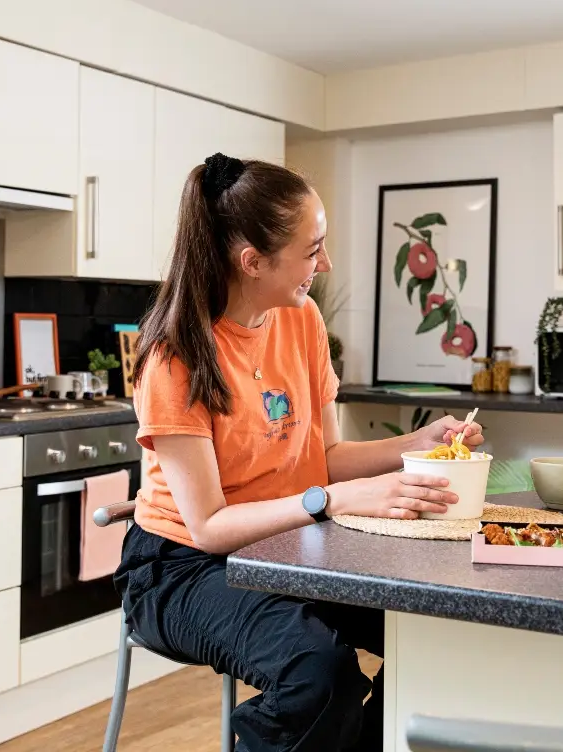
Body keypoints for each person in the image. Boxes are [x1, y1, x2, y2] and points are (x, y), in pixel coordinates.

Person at [114, 152, 482, 752]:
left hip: (286, 547)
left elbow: (325, 458)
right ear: (252, 261)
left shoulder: (301, 318)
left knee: (437, 631)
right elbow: (208, 527)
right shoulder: (175, 357)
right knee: (317, 673)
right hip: (179, 567)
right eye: (313, 250)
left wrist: (415, 446)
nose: (326, 263)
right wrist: (329, 501)